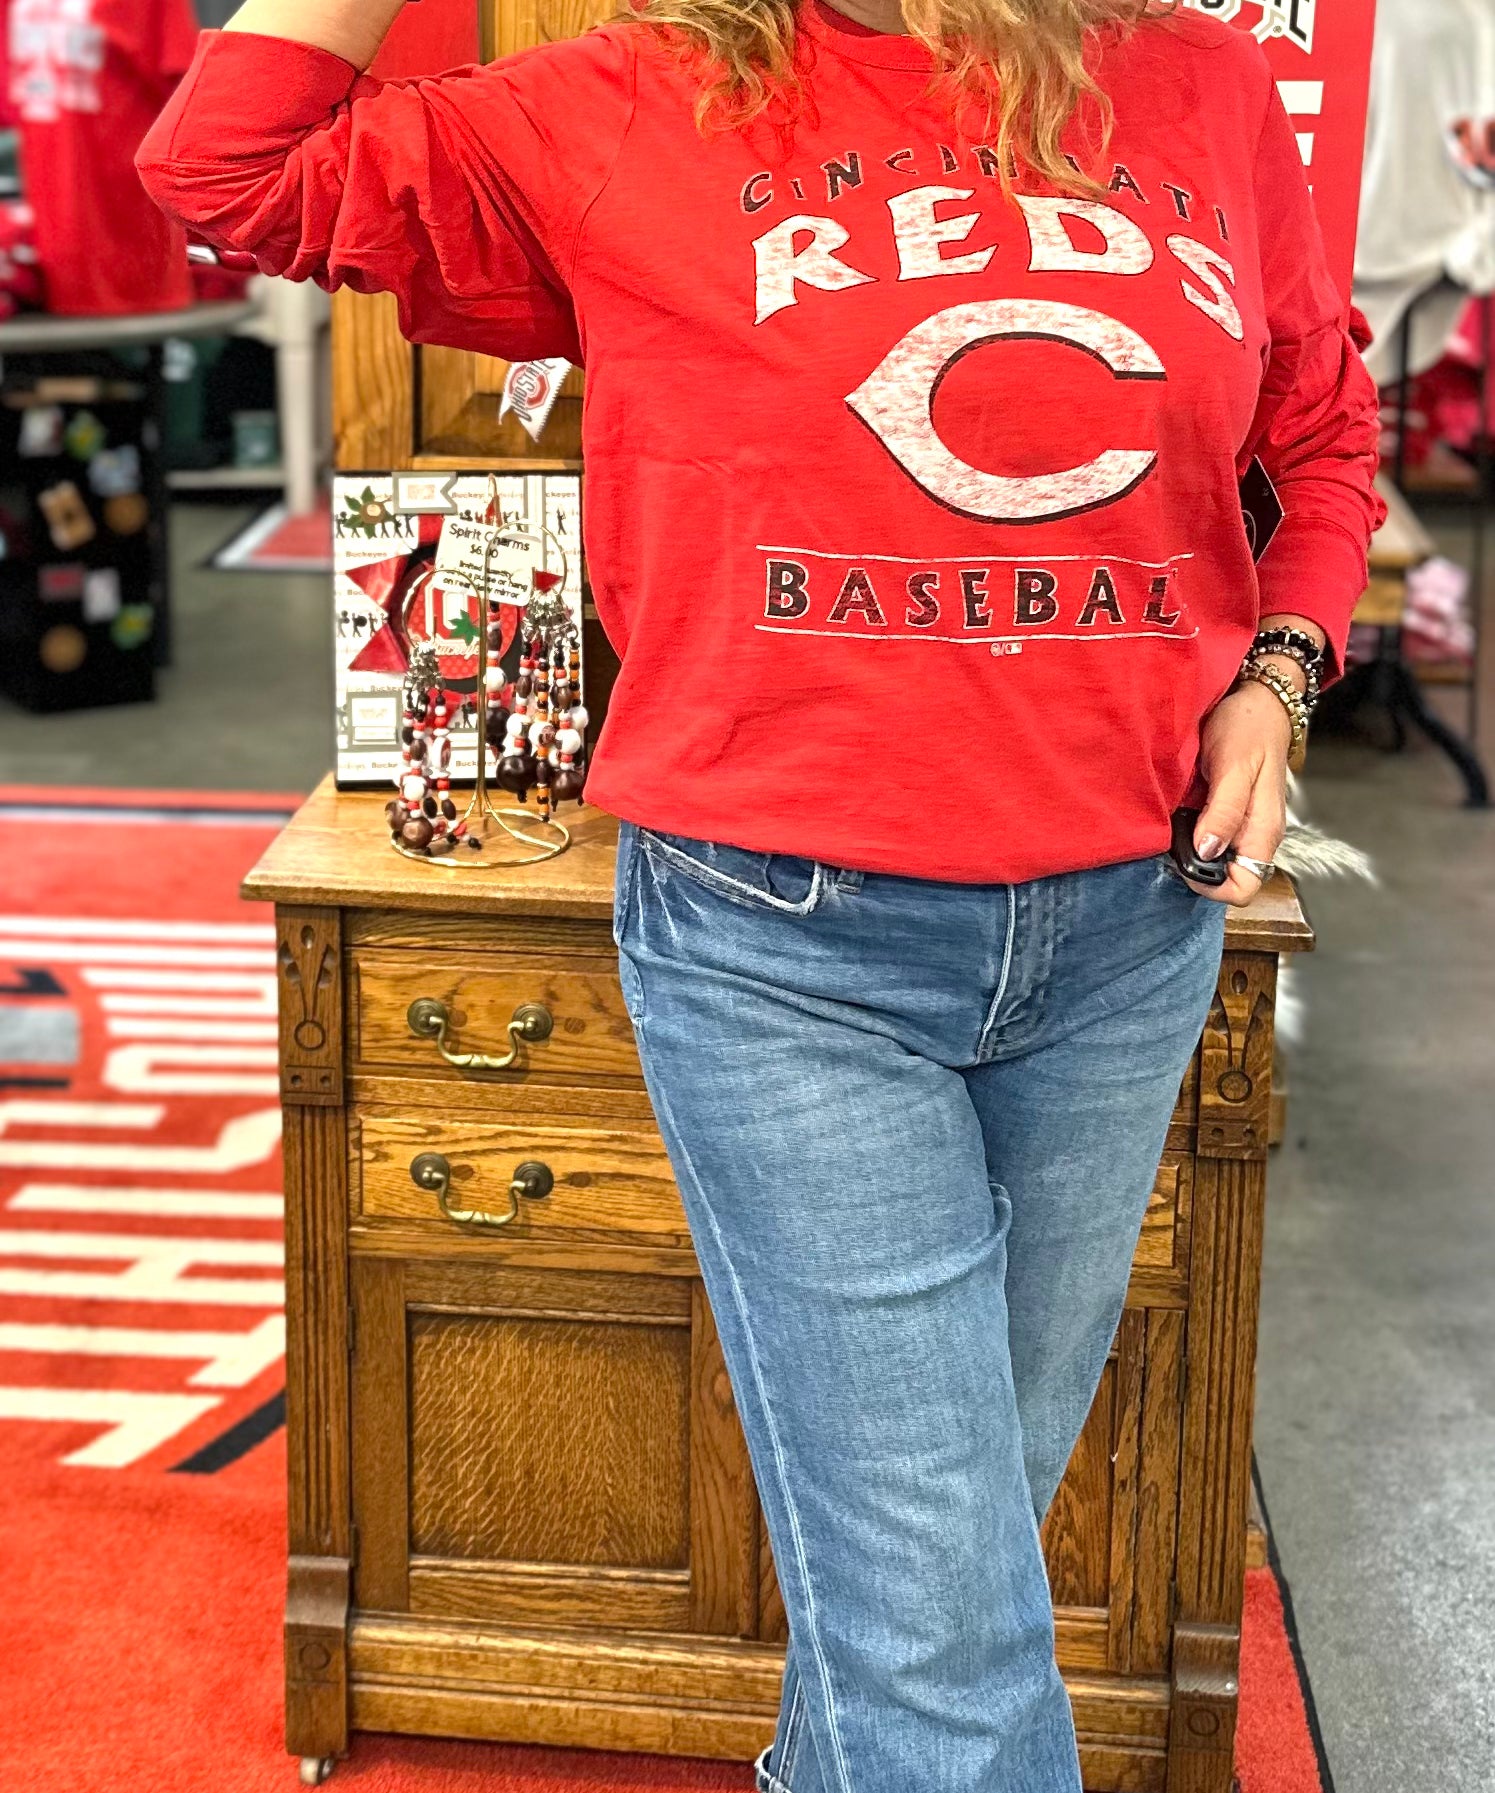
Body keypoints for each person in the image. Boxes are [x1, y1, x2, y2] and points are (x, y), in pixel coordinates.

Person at [138, 3, 1383, 1788]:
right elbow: (225, 171)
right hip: (792, 952)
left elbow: (1322, 431)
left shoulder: (1193, 79)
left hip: (1130, 929)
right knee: (944, 1644)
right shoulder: (637, 97)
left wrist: (1276, 671)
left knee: (937, 1573)